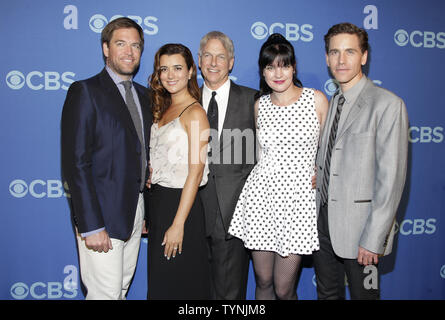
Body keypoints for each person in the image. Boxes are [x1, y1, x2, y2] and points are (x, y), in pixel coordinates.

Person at [228, 33, 329, 300]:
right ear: (263, 72)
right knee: (262, 280)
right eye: (270, 66)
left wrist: (322, 171)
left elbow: (331, 149)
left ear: (294, 67)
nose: (278, 73)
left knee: (284, 288)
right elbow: (260, 154)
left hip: (298, 202)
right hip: (262, 198)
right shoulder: (260, 105)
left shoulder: (315, 99)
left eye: (284, 65)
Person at [313, 22, 409, 300]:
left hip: (362, 231)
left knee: (365, 297)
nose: (341, 60)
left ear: (364, 56)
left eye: (350, 52)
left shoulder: (388, 105)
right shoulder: (334, 101)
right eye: (334, 52)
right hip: (323, 224)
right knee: (327, 294)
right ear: (327, 57)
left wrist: (374, 238)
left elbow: (390, 181)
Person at [61, 17, 151, 300]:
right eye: (120, 44)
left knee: (119, 290)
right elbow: (75, 163)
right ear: (105, 48)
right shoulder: (85, 91)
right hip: (101, 215)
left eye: (135, 45)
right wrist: (90, 225)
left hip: (134, 212)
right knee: (105, 294)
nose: (129, 52)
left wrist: (144, 212)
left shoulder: (145, 96)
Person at [146, 43, 211, 299]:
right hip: (159, 203)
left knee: (182, 284)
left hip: (182, 206)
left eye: (177, 68)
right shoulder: (162, 107)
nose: (170, 75)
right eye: (164, 69)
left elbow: (196, 172)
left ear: (191, 71)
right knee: (162, 284)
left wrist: (178, 223)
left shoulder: (195, 113)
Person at [198, 31, 257, 300]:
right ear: (199, 60)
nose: (213, 62)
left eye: (220, 56)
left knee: (230, 295)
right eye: (207, 55)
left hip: (234, 214)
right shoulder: (181, 100)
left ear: (231, 62)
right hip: (190, 214)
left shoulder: (253, 100)